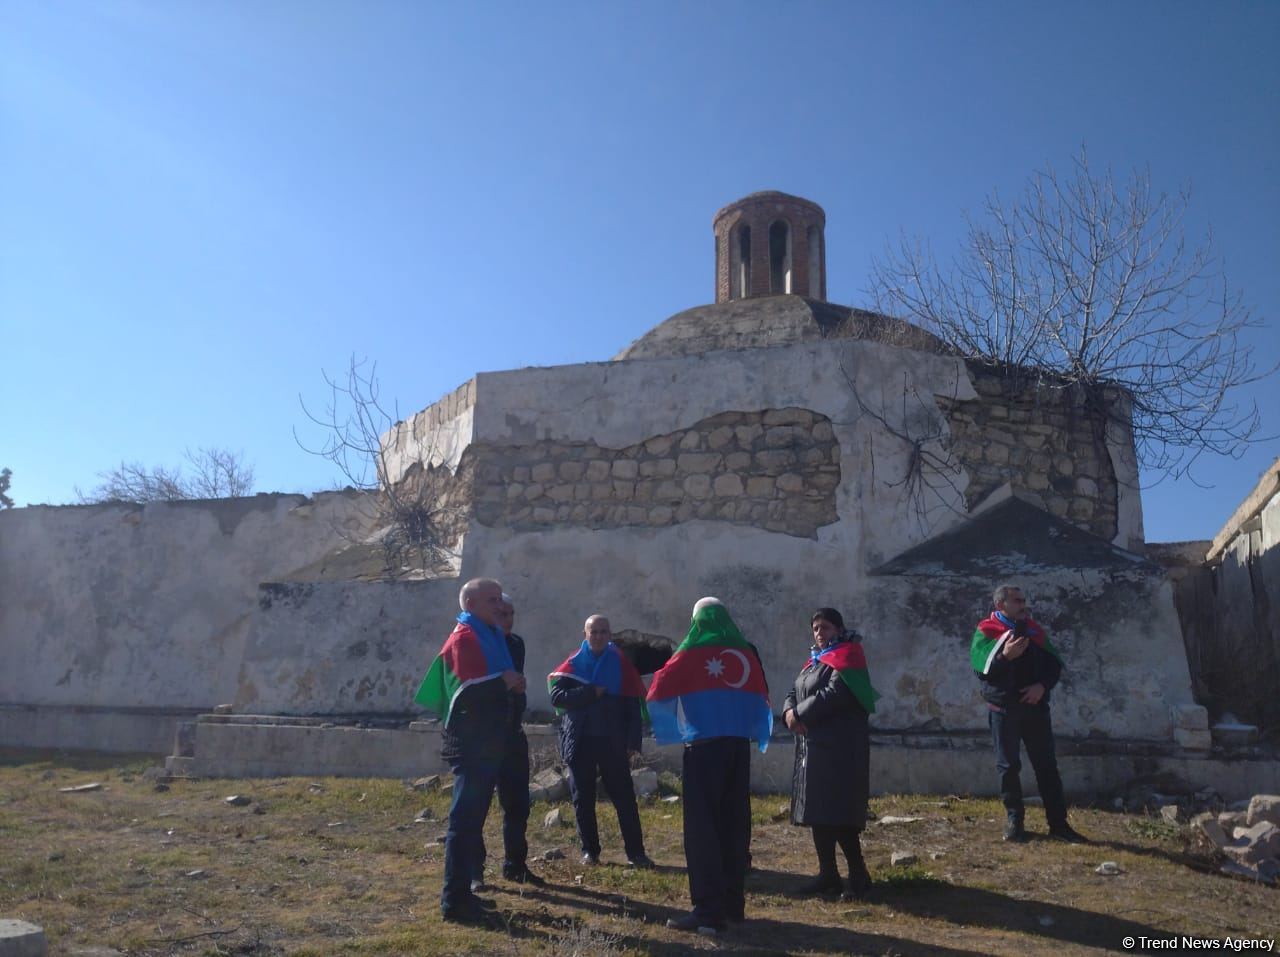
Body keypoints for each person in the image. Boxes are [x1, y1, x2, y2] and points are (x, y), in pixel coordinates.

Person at [647, 597, 772, 937]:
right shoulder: (745, 652)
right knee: (734, 825)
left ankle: (707, 912)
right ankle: (734, 907)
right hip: (737, 747)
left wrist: (668, 728)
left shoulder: (691, 652)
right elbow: (763, 695)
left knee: (702, 830)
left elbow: (658, 690)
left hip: (703, 749)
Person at [414, 577, 527, 924]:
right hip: (471, 746)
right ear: (472, 604)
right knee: (464, 825)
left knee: (471, 822)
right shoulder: (466, 638)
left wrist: (508, 683)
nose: (499, 606)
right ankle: (455, 901)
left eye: (499, 599)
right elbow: (466, 694)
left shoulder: (490, 635)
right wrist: (503, 682)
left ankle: (463, 893)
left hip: (489, 744)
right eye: (492, 600)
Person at [970, 584, 1086, 844]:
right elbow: (982, 671)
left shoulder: (1034, 631)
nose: (1024, 605)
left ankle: (1059, 825)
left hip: (1035, 710)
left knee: (1046, 767)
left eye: (1024, 600)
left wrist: (1041, 686)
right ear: (1001, 605)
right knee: (1008, 767)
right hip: (1003, 711)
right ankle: (1015, 823)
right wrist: (1005, 657)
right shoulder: (986, 632)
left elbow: (1054, 666)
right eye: (1017, 601)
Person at [783, 607, 879, 901]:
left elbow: (834, 694)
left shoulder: (848, 657)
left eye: (825, 627)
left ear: (838, 628)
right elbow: (795, 688)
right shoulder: (815, 661)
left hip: (840, 749)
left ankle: (858, 875)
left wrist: (798, 714)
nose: (819, 633)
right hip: (813, 748)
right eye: (815, 628)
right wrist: (788, 710)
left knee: (840, 814)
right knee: (819, 813)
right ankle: (828, 874)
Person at [548, 614, 654, 869]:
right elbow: (557, 697)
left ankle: (636, 853)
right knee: (582, 799)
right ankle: (590, 851)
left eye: (603, 632)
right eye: (593, 632)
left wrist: (633, 743)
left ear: (610, 635)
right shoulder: (572, 665)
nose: (598, 636)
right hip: (580, 740)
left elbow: (632, 706)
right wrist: (589, 692)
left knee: (624, 799)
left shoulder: (621, 665)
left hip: (613, 741)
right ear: (585, 634)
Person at [473, 594, 543, 889]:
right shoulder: (476, 643)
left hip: (512, 734)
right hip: (483, 738)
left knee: (517, 804)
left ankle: (515, 865)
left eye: (511, 613)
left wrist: (518, 689)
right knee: (476, 806)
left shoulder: (516, 644)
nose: (507, 619)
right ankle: (473, 871)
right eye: (501, 613)